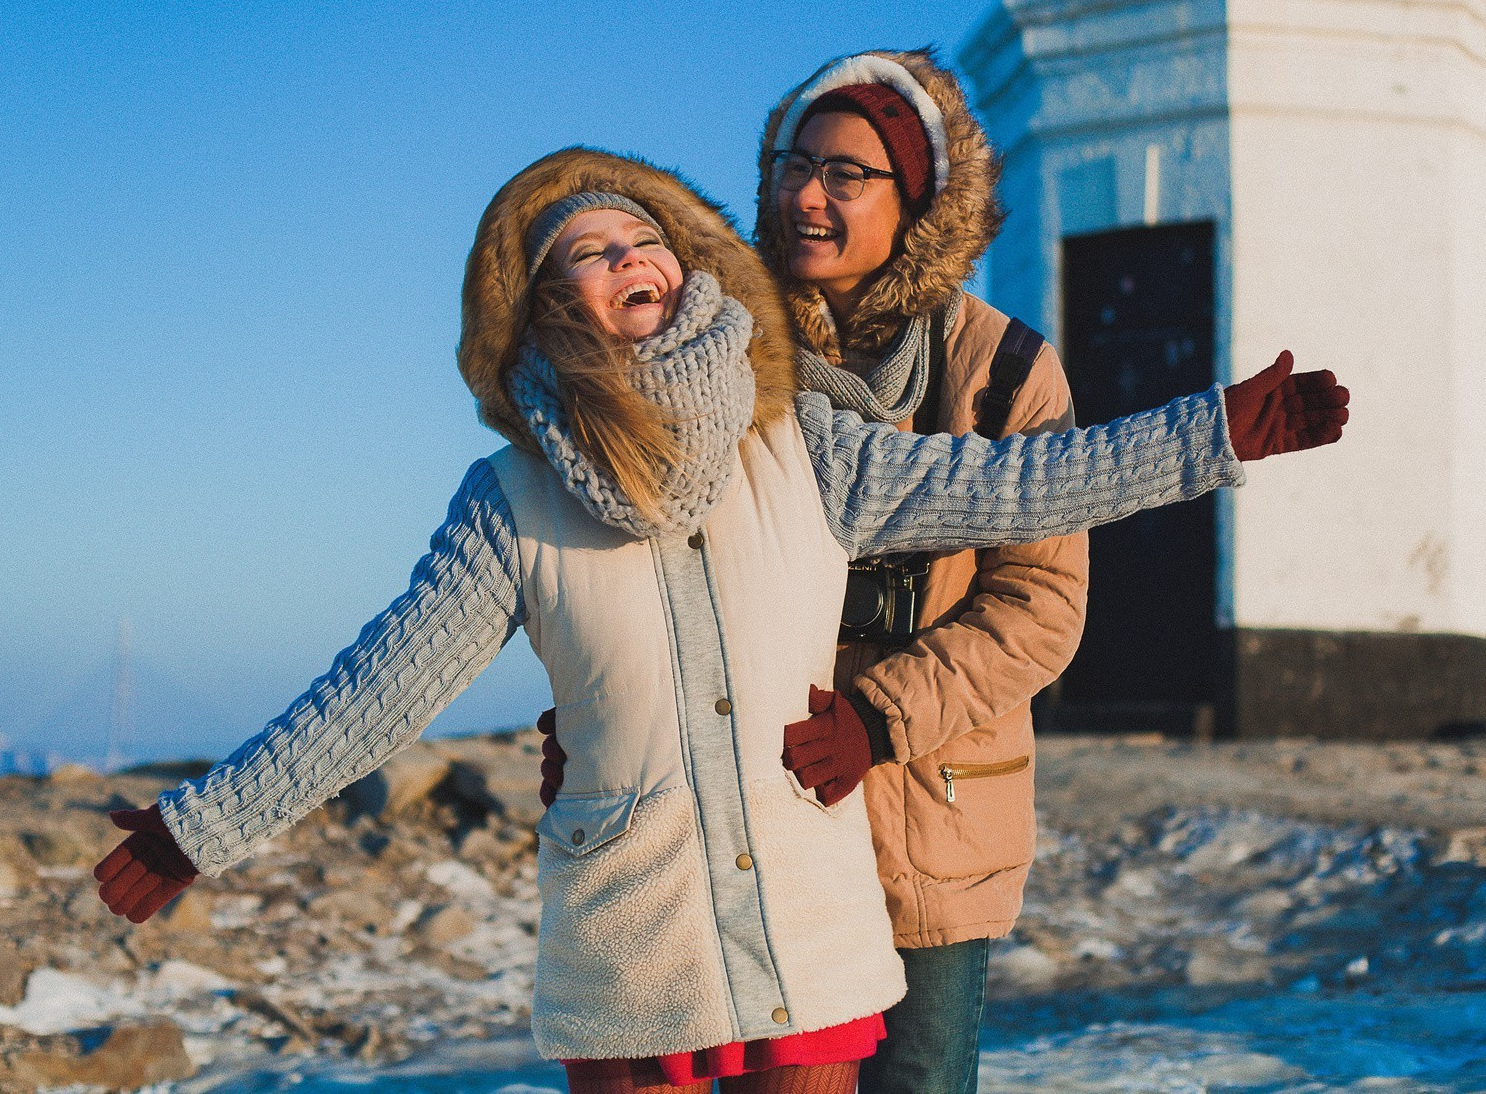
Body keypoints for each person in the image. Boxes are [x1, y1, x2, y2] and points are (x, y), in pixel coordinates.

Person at [94, 147, 1347, 1094]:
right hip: (631, 957)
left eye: (643, 235)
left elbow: (1012, 483)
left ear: (685, 264)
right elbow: (377, 693)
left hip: (808, 935)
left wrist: (1212, 434)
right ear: (539, 308)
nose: (626, 256)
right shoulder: (510, 502)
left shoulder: (798, 439)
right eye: (585, 249)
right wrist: (194, 829)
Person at [757, 48, 1087, 1094]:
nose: (808, 194)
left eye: (846, 174)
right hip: (760, 807)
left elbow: (1039, 602)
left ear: (918, 203)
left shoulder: (1005, 371)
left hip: (932, 811)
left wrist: (876, 719)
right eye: (793, 163)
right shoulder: (725, 360)